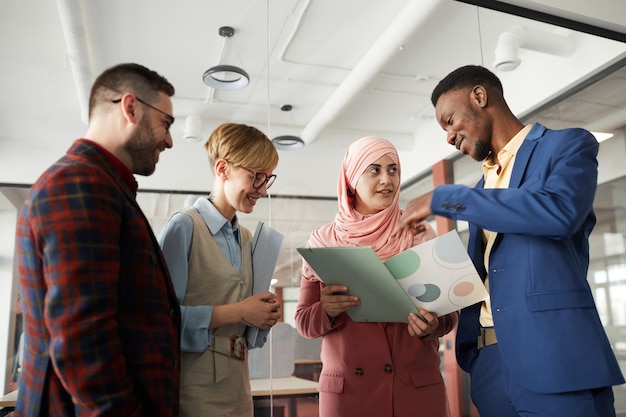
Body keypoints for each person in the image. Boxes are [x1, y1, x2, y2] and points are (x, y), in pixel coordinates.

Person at [397, 64, 625, 417]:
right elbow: (488, 275)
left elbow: (559, 212)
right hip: (489, 366)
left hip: (556, 362)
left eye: (449, 120)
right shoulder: (481, 189)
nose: (448, 136)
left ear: (479, 96)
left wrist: (445, 197)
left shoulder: (567, 145)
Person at [15, 63, 181, 416]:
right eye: (166, 124)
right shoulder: (81, 184)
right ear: (131, 107)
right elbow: (82, 339)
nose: (169, 140)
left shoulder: (101, 184)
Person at [295, 136, 458, 417]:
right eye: (374, 170)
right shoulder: (322, 240)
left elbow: (449, 316)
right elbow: (303, 322)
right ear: (352, 177)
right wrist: (327, 310)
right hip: (349, 393)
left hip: (414, 392)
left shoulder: (419, 233)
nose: (387, 179)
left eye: (393, 169)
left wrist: (432, 326)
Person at [157, 122, 282, 417]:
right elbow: (161, 317)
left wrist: (263, 315)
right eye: (256, 177)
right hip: (194, 384)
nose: (262, 190)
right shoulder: (184, 227)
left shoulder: (248, 238)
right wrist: (240, 311)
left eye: (267, 179)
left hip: (239, 382)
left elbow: (246, 313)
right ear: (223, 169)